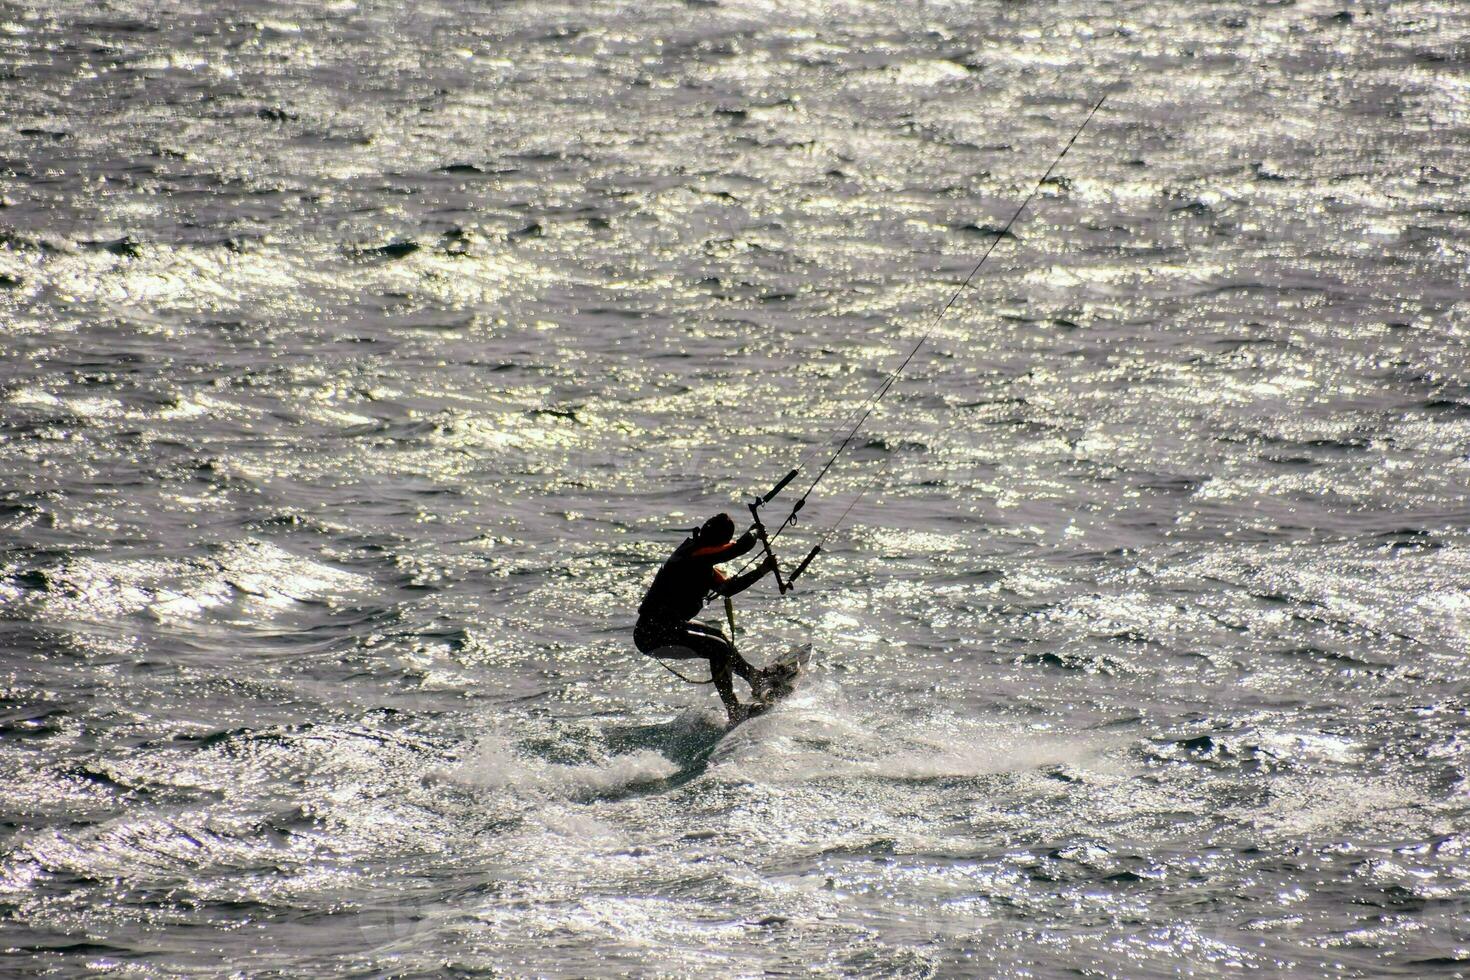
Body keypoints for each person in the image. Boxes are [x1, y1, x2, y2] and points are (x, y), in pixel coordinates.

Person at [634, 512, 777, 723]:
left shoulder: (702, 563)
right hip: (651, 635)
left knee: (718, 637)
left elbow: (728, 588)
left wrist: (762, 570)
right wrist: (755, 532)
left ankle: (755, 679)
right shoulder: (692, 555)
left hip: (669, 628)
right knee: (717, 649)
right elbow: (740, 547)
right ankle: (734, 709)